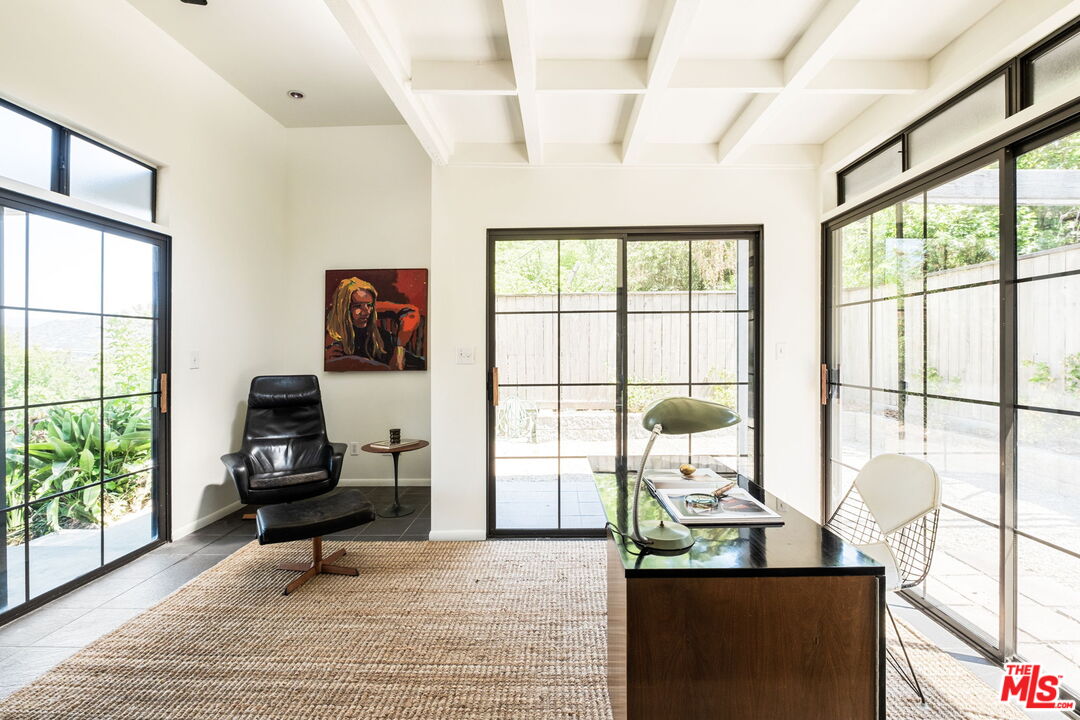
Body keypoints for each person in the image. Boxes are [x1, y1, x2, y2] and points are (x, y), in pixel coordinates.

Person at [325, 277, 423, 370]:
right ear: (344, 308)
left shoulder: (380, 337)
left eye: (369, 305)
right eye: (357, 306)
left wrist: (399, 349)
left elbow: (411, 312)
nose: (366, 312)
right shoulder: (333, 338)